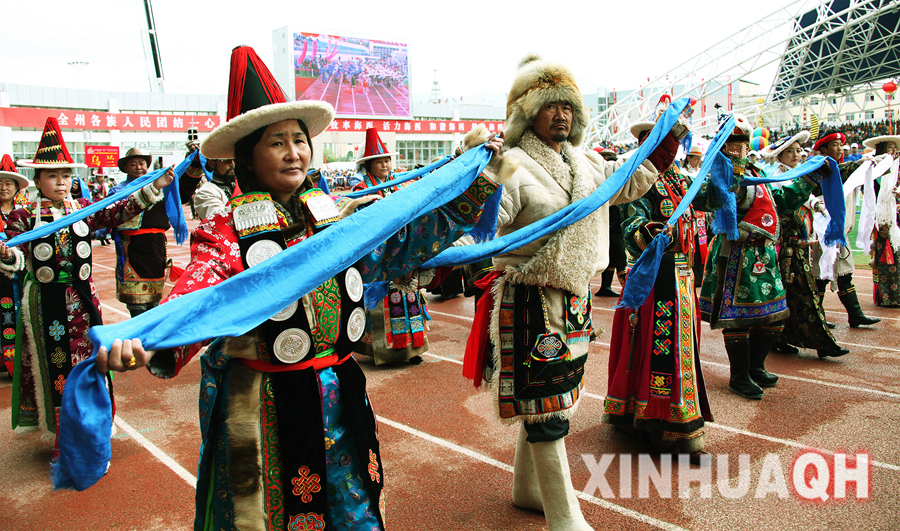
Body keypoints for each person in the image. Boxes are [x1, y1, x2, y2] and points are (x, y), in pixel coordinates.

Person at [96, 46, 503, 531]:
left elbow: (398, 245)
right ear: (248, 155)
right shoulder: (225, 233)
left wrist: (472, 181)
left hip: (340, 391)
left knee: (356, 508)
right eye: (277, 143)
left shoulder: (333, 219)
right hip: (267, 401)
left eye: (300, 140)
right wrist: (148, 338)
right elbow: (199, 294)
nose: (294, 153)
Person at [465, 56, 686, 531]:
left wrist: (664, 144)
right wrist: (477, 172)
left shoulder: (586, 162)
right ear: (527, 113)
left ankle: (528, 489)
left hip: (575, 298)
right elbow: (486, 222)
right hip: (529, 297)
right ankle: (564, 516)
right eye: (550, 107)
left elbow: (628, 182)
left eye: (568, 106)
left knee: (557, 399)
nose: (561, 115)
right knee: (545, 408)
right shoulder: (510, 162)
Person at [0, 117, 172, 455]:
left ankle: (93, 424)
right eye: (52, 176)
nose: (61, 182)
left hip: (83, 301)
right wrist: (8, 254)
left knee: (92, 359)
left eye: (66, 175)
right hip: (44, 303)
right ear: (37, 181)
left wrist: (155, 186)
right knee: (55, 363)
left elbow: (117, 212)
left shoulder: (82, 210)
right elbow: (16, 256)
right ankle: (62, 432)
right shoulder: (21, 217)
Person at [603, 119, 715, 462]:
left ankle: (677, 421)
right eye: (667, 141)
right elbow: (630, 225)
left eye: (675, 141)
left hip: (681, 278)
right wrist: (653, 233)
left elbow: (711, 199)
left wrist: (729, 159)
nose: (673, 147)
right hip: (654, 279)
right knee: (658, 352)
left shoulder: (681, 178)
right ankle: (658, 424)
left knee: (681, 351)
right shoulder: (638, 177)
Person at [699, 115, 833, 400]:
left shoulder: (756, 172)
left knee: (773, 317)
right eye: (733, 142)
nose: (740, 148)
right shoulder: (716, 175)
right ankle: (739, 375)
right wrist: (725, 179)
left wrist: (810, 179)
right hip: (736, 253)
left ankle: (756, 366)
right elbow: (704, 199)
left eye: (743, 142)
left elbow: (781, 199)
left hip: (764, 252)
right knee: (739, 319)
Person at [351, 128, 437, 365]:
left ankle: (412, 348)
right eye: (380, 161)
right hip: (380, 257)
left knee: (409, 296)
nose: (386, 165)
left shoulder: (399, 185)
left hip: (405, 254)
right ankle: (383, 350)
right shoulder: (362, 192)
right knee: (386, 301)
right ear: (368, 165)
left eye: (387, 160)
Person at [763, 131, 849, 358]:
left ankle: (784, 337)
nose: (795, 155)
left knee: (793, 294)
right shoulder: (773, 176)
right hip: (784, 247)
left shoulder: (794, 174)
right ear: (780, 155)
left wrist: (817, 205)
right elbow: (787, 199)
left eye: (798, 151)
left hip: (799, 245)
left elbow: (805, 195)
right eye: (789, 151)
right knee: (802, 293)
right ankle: (821, 342)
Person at [110, 147, 194, 317]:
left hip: (156, 248)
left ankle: (150, 340)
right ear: (125, 168)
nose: (138, 167)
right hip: (132, 250)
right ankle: (138, 340)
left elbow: (182, 192)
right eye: (133, 164)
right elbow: (115, 214)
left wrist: (194, 162)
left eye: (141, 163)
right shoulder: (118, 191)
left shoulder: (160, 186)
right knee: (137, 306)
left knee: (154, 304)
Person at [812, 130, 881, 327]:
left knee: (844, 273)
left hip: (838, 231)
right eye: (835, 145)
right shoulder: (820, 167)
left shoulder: (839, 167)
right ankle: (818, 318)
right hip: (822, 231)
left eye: (841, 144)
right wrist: (862, 164)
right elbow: (841, 172)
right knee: (821, 276)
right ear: (823, 149)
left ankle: (855, 315)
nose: (840, 148)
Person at [0, 154, 29, 376]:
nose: (3, 188)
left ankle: (19, 362)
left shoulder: (27, 214)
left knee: (21, 315)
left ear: (16, 188)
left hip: (21, 275)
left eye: (8, 183)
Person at [865, 134, 900, 306]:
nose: (893, 151)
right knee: (888, 257)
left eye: (894, 148)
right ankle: (889, 297)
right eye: (889, 148)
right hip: (884, 220)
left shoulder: (898, 168)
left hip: (897, 219)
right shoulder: (875, 171)